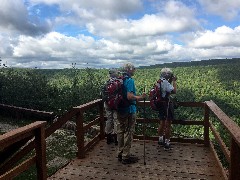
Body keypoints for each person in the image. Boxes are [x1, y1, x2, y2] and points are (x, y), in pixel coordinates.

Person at [117, 63, 147, 164]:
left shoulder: (120, 80)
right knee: (129, 132)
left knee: (121, 131)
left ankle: (120, 153)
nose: (135, 70)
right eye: (134, 68)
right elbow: (130, 96)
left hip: (120, 109)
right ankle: (126, 156)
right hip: (129, 109)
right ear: (129, 70)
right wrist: (141, 97)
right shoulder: (129, 80)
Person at [157, 68, 177, 150]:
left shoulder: (159, 81)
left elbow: (166, 89)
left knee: (162, 122)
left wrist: (170, 81)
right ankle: (167, 142)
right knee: (168, 124)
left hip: (161, 105)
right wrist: (174, 81)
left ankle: (160, 139)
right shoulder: (165, 82)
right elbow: (174, 91)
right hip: (167, 105)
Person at [102, 68, 119, 145]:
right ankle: (116, 139)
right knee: (116, 120)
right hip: (115, 104)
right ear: (115, 74)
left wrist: (107, 100)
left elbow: (102, 94)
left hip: (107, 103)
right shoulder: (118, 82)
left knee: (109, 119)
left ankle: (108, 138)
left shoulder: (106, 82)